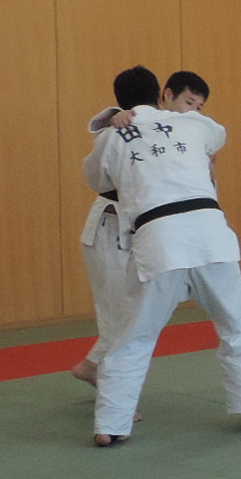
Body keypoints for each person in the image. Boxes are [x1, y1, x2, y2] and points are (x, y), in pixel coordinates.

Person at [86, 68, 241, 446]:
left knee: (133, 337)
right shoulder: (194, 124)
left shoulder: (114, 135)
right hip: (211, 237)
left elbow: (97, 180)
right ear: (161, 93)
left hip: (159, 242)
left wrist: (112, 124)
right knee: (237, 325)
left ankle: (111, 426)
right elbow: (219, 135)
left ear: (119, 101)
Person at [70, 64, 162, 387]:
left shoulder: (166, 130)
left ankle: (93, 366)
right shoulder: (116, 133)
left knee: (138, 310)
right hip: (110, 228)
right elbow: (95, 179)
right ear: (160, 95)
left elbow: (92, 176)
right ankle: (116, 393)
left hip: (147, 229)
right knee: (118, 315)